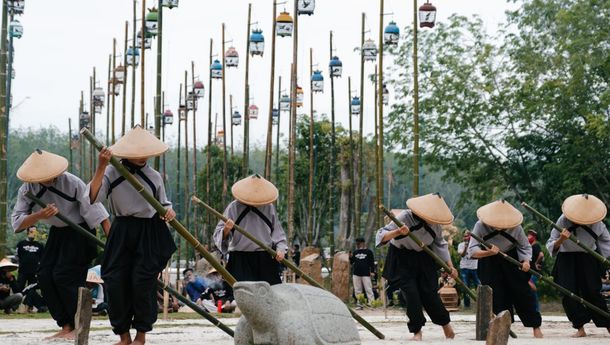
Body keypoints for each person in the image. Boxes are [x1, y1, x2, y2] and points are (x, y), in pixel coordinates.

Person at [89, 126, 177, 345]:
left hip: (149, 230)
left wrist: (169, 212)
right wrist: (101, 166)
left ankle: (141, 336)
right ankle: (124, 336)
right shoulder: (113, 171)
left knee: (142, 282)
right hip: (122, 230)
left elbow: (164, 204)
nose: (141, 157)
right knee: (114, 280)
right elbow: (92, 197)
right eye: (136, 152)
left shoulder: (154, 176)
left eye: (145, 152)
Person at [11, 149, 109, 339]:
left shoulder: (72, 182)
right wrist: (39, 215)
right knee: (45, 275)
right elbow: (17, 224)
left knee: (64, 275)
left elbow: (99, 214)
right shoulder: (27, 189)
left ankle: (78, 325)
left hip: (81, 231)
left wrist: (113, 242)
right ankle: (65, 325)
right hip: (58, 233)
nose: (48, 179)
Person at [376, 193, 457, 341]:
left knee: (430, 294)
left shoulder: (435, 224)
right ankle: (417, 331)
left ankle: (446, 325)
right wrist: (398, 231)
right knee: (412, 294)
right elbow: (381, 235)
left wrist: (450, 267)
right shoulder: (405, 217)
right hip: (402, 258)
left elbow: (440, 245)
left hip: (424, 258)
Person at [468, 200, 543, 338]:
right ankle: (503, 327)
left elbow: (525, 246)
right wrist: (488, 253)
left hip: (512, 259)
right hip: (489, 260)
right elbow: (472, 251)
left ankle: (535, 327)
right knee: (495, 294)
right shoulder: (480, 225)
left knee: (522, 293)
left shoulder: (516, 227)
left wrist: (526, 261)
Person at [546, 194, 610, 337]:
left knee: (592, 292)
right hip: (566, 258)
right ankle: (580, 328)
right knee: (568, 293)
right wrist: (561, 239)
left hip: (588, 258)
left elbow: (606, 242)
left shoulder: (597, 222)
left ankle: (608, 325)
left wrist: (601, 259)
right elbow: (551, 243)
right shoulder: (563, 219)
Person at [214, 175, 287, 285]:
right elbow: (217, 234)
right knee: (239, 294)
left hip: (264, 258)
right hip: (240, 259)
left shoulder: (268, 207)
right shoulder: (234, 207)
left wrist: (280, 250)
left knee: (270, 293)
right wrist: (226, 230)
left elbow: (278, 235)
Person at [15, 226, 44, 292]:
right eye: (31, 232)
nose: (33, 233)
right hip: (22, 271)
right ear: (27, 232)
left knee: (31, 290)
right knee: (19, 288)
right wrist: (19, 264)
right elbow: (16, 256)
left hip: (34, 272)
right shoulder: (21, 244)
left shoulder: (40, 245)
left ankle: (28, 302)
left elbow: (42, 258)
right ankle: (18, 301)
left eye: (35, 232)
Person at [350, 237, 376, 308]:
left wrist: (372, 271)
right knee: (357, 289)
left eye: (359, 243)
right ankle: (360, 304)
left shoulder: (369, 252)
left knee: (368, 288)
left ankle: (372, 303)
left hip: (366, 273)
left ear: (363, 243)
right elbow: (352, 262)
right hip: (356, 273)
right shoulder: (355, 252)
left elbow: (372, 262)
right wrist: (350, 257)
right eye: (357, 243)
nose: (358, 245)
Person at [457, 230, 479, 309]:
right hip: (464, 268)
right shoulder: (461, 245)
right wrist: (466, 247)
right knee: (466, 287)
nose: (465, 238)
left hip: (474, 268)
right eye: (464, 236)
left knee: (479, 285)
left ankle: (480, 303)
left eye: (467, 236)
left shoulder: (475, 245)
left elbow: (477, 256)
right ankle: (467, 305)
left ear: (471, 237)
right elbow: (462, 255)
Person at [527, 229, 544, 312]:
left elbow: (541, 255)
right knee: (530, 290)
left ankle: (536, 309)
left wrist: (536, 263)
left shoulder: (536, 245)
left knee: (532, 288)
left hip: (534, 271)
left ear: (534, 237)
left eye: (530, 235)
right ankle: (533, 309)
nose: (528, 237)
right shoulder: (530, 246)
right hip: (530, 271)